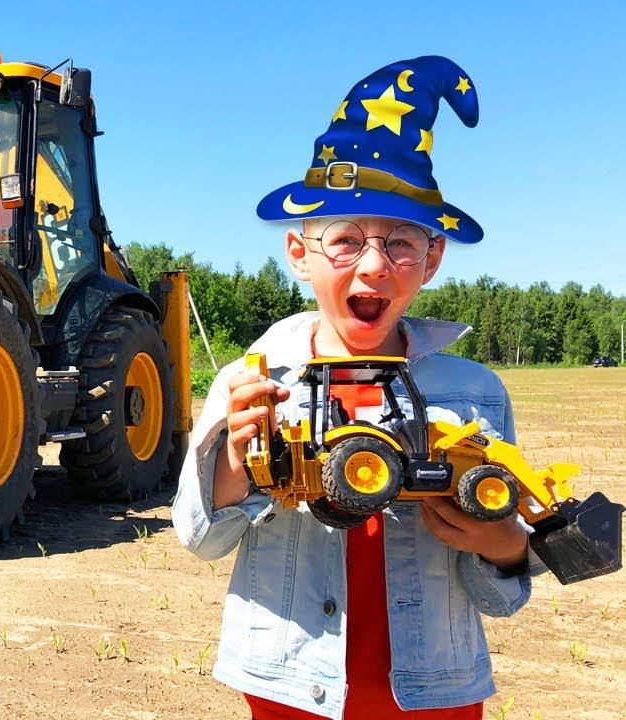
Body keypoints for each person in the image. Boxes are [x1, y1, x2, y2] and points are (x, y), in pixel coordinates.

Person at [173, 57, 538, 719]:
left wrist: (503, 542)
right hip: (289, 690)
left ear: (432, 259)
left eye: (400, 243)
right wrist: (233, 461)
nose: (373, 265)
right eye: (345, 239)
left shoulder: (474, 395)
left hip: (434, 694)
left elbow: (501, 595)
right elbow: (201, 541)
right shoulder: (252, 381)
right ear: (299, 253)